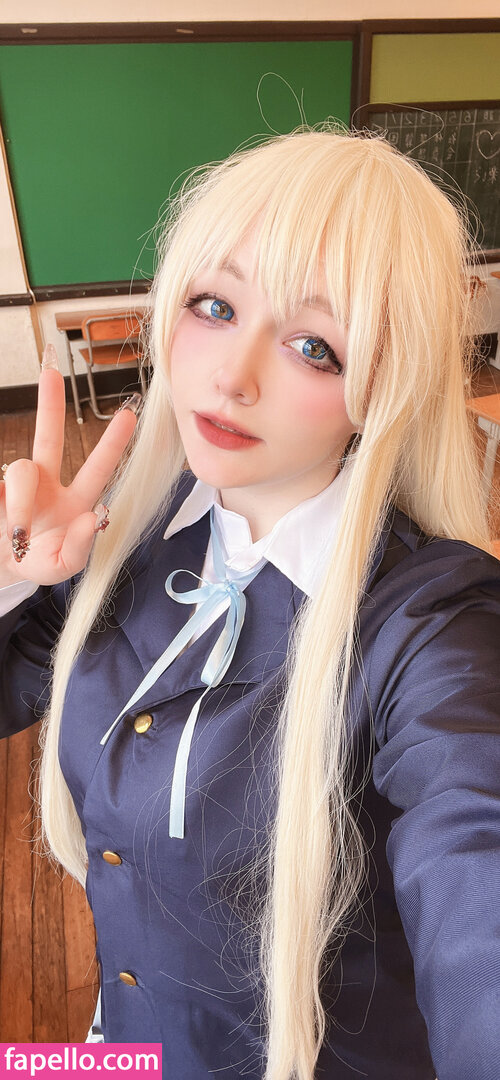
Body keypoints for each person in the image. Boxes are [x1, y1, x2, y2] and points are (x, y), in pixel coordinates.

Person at [0, 129, 499, 1080]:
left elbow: (476, 849)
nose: (232, 377)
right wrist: (15, 572)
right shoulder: (133, 535)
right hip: (121, 1048)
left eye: (315, 346)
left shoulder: (431, 625)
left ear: (384, 383)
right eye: (216, 306)